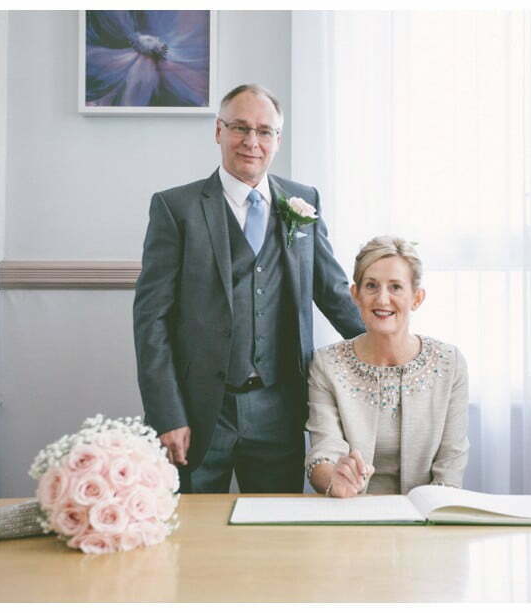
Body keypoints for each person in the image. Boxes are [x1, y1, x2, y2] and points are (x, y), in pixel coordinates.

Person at [133, 84, 364, 494]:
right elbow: (151, 319)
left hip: (280, 405)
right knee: (195, 540)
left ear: (278, 139)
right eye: (240, 128)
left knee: (276, 538)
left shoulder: (302, 200)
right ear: (218, 131)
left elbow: (331, 292)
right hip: (201, 409)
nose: (251, 142)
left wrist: (389, 352)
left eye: (264, 131)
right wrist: (167, 414)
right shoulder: (176, 208)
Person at [305, 236, 469, 497]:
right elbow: (323, 452)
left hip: (427, 520)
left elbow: (450, 464)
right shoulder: (327, 365)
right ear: (355, 295)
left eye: (395, 287)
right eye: (371, 286)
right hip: (350, 516)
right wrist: (334, 481)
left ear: (417, 298)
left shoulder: (449, 363)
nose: (382, 299)